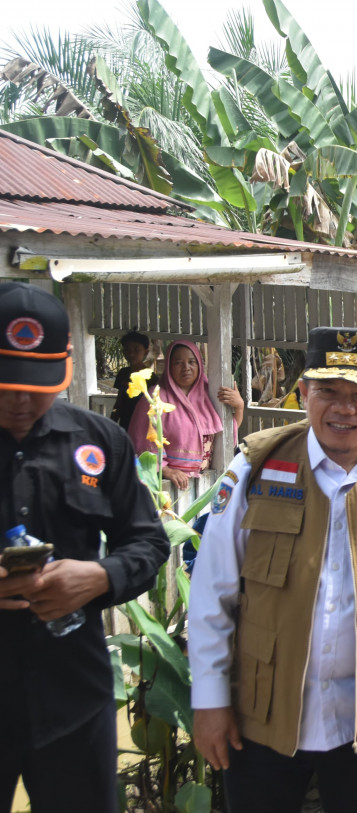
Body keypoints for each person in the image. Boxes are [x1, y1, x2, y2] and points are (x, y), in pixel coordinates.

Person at [187, 327, 357, 813]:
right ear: (303, 393)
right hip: (261, 713)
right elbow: (213, 596)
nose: (344, 409)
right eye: (327, 391)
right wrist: (209, 700)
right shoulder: (256, 467)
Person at [0, 282, 170, 813]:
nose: (21, 400)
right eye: (6, 384)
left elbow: (147, 542)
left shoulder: (99, 442)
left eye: (37, 385)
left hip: (74, 698)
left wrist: (98, 578)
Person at [127, 339, 244, 491]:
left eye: (191, 362)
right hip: (170, 487)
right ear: (169, 366)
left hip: (207, 484)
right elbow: (142, 442)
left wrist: (239, 406)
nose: (186, 368)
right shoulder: (155, 397)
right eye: (178, 363)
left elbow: (229, 431)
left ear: (199, 365)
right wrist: (167, 470)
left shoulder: (209, 394)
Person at [110, 329, 157, 430]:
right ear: (123, 352)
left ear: (146, 352)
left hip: (143, 426)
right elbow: (119, 403)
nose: (131, 354)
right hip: (125, 424)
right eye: (128, 350)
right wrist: (111, 422)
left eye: (136, 350)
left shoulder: (150, 376)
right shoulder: (123, 373)